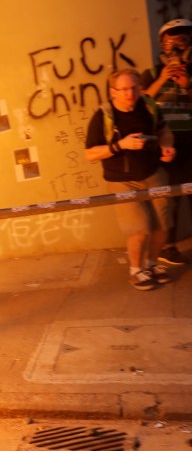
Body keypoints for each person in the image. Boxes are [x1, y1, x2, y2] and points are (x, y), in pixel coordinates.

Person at [85, 67, 176, 290]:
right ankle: (136, 271)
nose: (130, 93)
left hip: (153, 173)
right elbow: (90, 154)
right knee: (140, 228)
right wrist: (120, 145)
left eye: (134, 87)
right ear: (112, 91)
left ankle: (151, 264)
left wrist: (167, 145)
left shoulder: (149, 106)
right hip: (122, 180)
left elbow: (164, 130)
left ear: (140, 87)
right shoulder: (104, 116)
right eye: (123, 89)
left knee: (163, 225)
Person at [141, 18, 192, 266]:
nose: (175, 50)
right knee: (168, 200)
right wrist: (162, 80)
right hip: (164, 148)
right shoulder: (151, 73)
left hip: (191, 145)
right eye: (170, 43)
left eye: (182, 41)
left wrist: (187, 85)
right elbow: (140, 105)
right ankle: (167, 247)